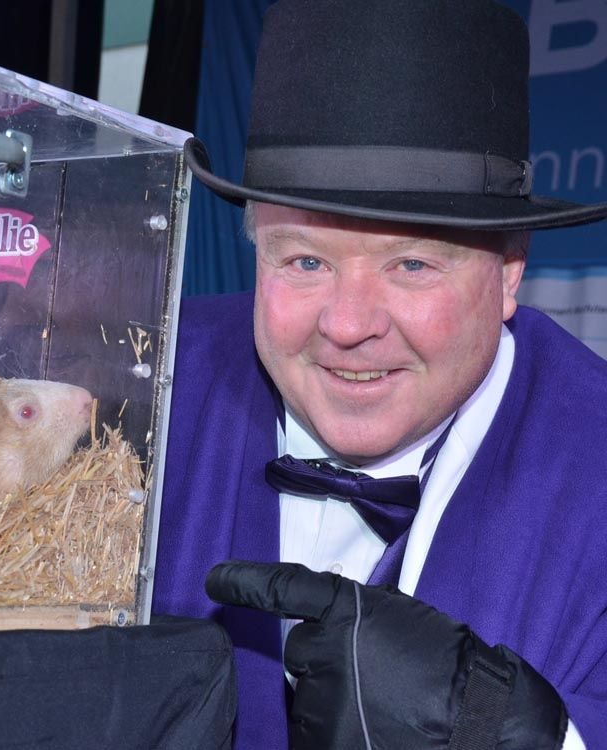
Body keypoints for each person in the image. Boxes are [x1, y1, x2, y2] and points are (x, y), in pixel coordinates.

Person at [150, 1, 607, 749]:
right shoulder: (136, 392)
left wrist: (519, 736)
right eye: (305, 260)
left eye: (412, 265)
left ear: (509, 272)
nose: (348, 324)